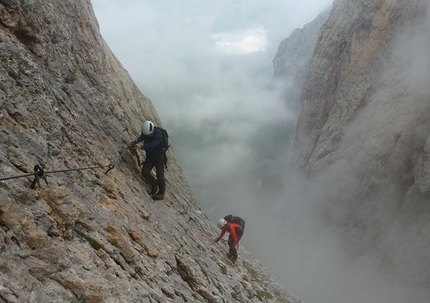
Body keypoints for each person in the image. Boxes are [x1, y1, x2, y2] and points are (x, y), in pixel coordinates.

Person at [131, 120, 166, 200]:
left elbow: (154, 144)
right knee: (145, 172)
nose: (149, 136)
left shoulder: (159, 134)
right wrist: (136, 141)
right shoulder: (147, 132)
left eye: (150, 134)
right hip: (150, 157)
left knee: (160, 176)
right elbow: (142, 136)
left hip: (159, 158)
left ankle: (161, 193)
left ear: (153, 129)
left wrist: (141, 147)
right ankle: (154, 183)